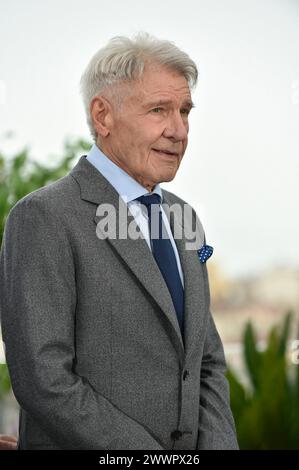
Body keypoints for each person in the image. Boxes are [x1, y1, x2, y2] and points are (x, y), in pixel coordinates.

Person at [0, 32, 238, 450]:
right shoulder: (43, 217)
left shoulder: (185, 217)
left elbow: (207, 364)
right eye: (158, 110)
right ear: (103, 116)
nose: (179, 130)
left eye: (185, 111)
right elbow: (44, 379)